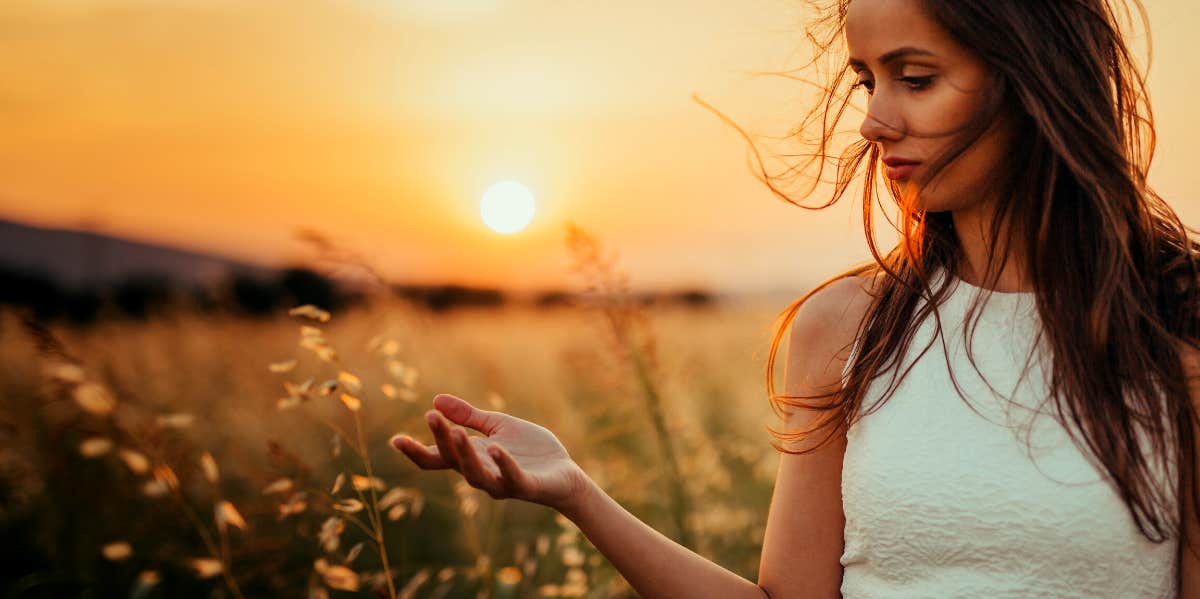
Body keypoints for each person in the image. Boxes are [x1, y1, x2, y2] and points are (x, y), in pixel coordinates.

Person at [390, 0, 1200, 596]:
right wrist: (576, 491)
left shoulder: (1174, 329)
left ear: (1035, 82)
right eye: (866, 81)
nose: (875, 121)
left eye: (915, 78)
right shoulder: (846, 330)